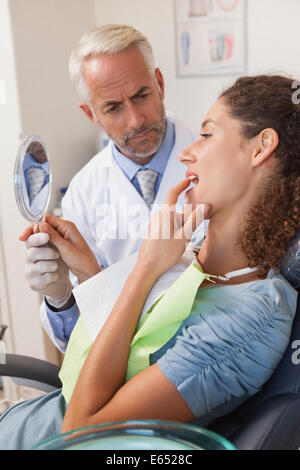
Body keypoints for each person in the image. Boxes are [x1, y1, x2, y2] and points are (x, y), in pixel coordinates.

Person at [2, 74, 299, 450]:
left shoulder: (253, 317)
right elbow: (140, 348)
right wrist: (86, 272)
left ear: (260, 148)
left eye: (207, 135)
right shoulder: (199, 254)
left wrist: (145, 267)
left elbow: (80, 433)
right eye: (112, 106)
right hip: (24, 421)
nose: (186, 153)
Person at [21, 24, 198, 353]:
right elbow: (78, 346)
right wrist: (60, 297)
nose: (135, 120)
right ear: (90, 113)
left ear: (159, 83)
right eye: (113, 107)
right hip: (123, 369)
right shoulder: (83, 193)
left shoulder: (214, 158)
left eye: (141, 96)